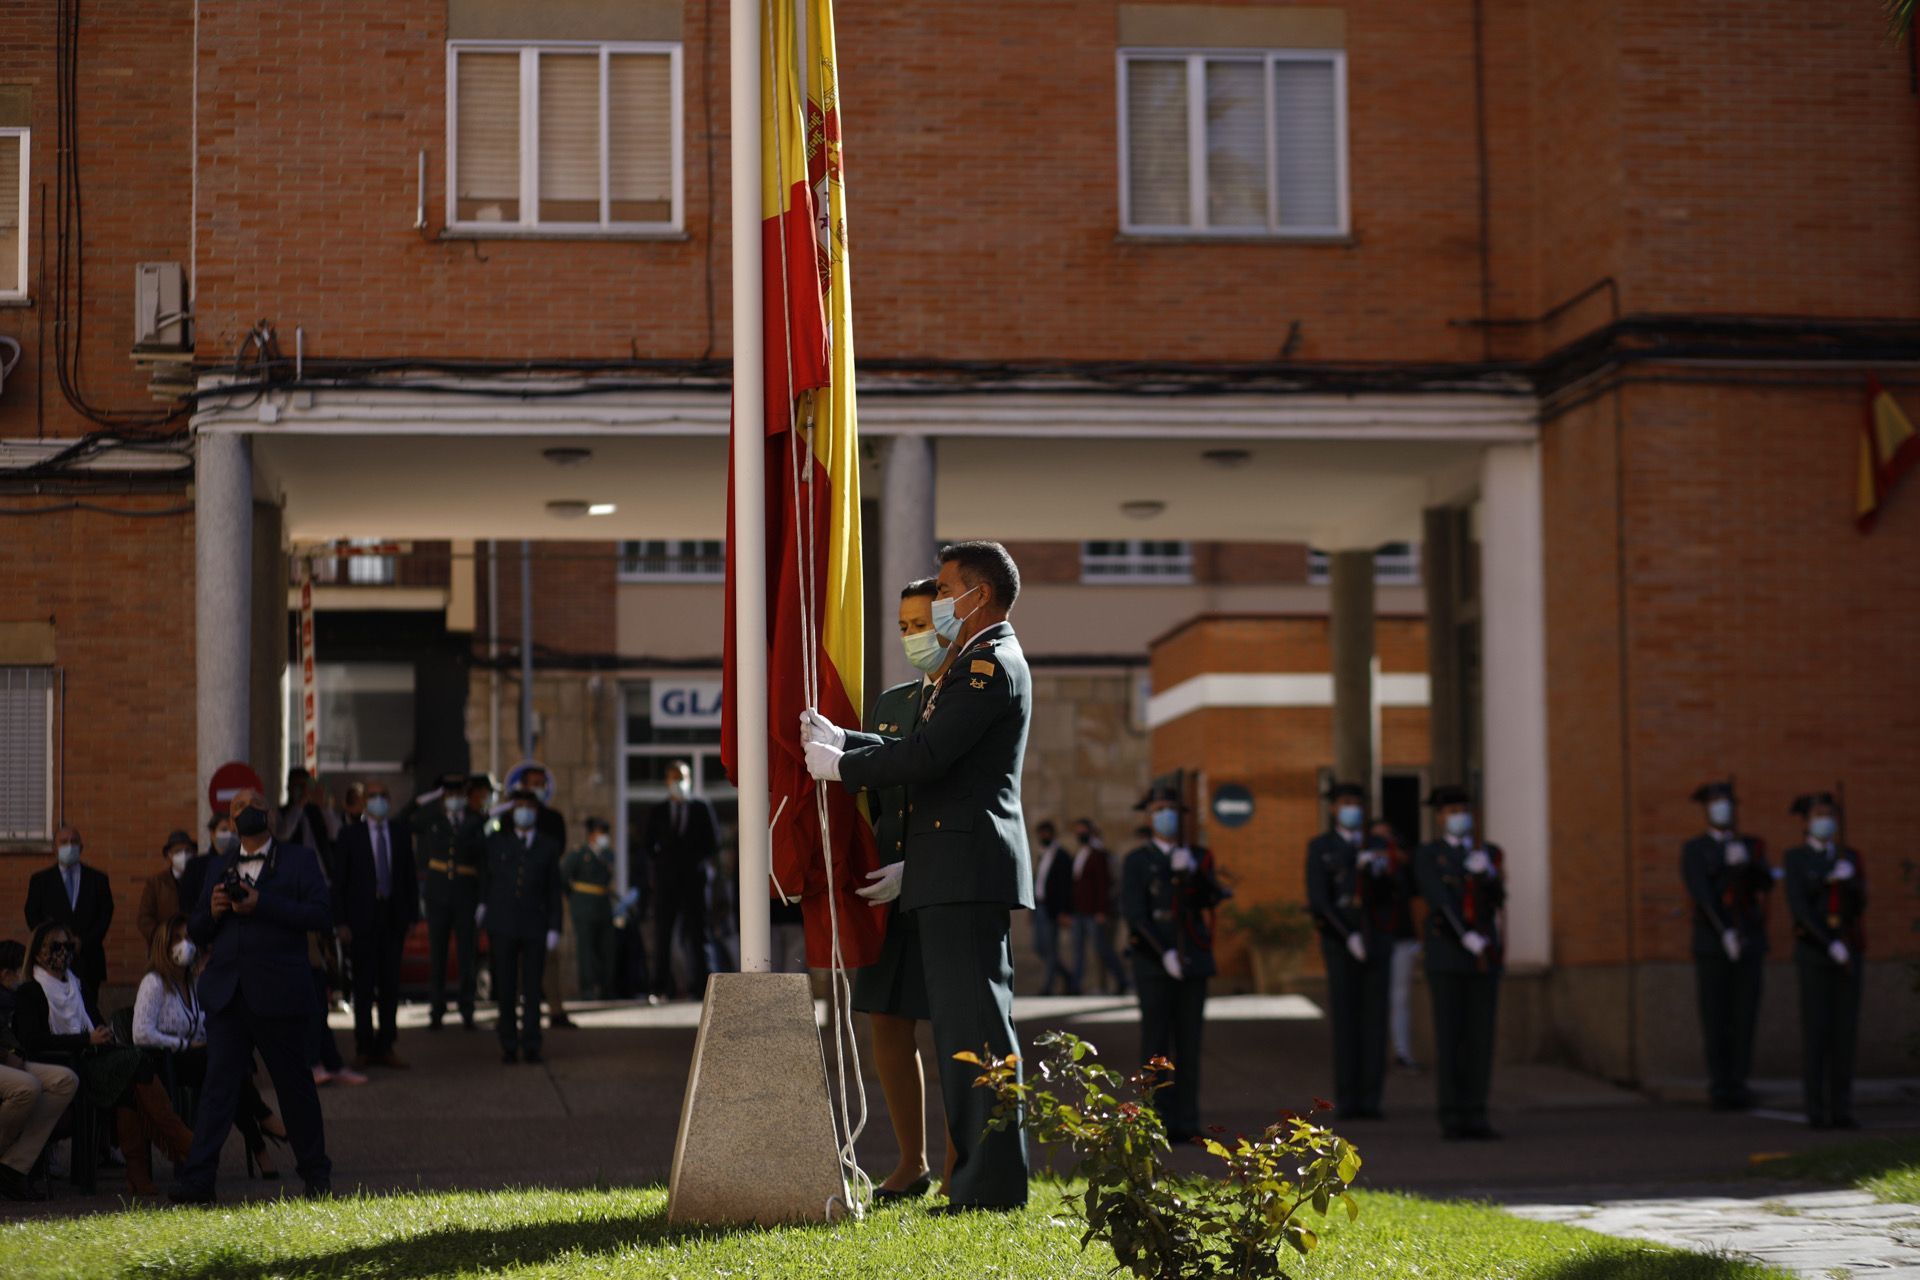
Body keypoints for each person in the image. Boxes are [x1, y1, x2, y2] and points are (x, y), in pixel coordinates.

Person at [806, 539, 1036, 1213]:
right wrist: (847, 741)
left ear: (979, 596)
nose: (935, 602)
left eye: (943, 590)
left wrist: (842, 768)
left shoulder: (988, 667)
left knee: (975, 1038)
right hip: (952, 872)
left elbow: (932, 755)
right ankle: (974, 1183)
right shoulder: (970, 665)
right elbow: (918, 747)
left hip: (964, 875)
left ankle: (986, 1186)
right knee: (966, 1033)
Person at [170, 789, 334, 1203]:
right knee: (218, 1090)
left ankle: (316, 1174)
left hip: (279, 994)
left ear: (269, 816)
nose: (244, 813)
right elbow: (198, 929)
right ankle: (199, 1179)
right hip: (228, 994)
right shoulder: (220, 865)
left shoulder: (298, 860)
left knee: (294, 1087)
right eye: (236, 809)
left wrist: (263, 903)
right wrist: (213, 908)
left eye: (252, 806)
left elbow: (320, 913)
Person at [848, 577, 955, 1201]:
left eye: (924, 625)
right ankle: (910, 1160)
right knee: (887, 1018)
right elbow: (879, 796)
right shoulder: (891, 703)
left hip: (943, 880)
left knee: (953, 1028)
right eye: (905, 627)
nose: (916, 637)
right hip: (889, 886)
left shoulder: (971, 694)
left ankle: (956, 1163)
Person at [13, 922, 193, 1197]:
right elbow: (33, 1040)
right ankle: (184, 1145)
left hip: (95, 1061)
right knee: (134, 1066)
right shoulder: (31, 990)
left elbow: (96, 1023)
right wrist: (85, 1041)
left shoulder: (78, 985)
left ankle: (141, 1171)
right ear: (38, 953)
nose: (63, 952)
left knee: (129, 1079)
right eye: (56, 947)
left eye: (68, 946)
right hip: (64, 1066)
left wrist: (102, 1035)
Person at [133, 916, 286, 1180]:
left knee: (228, 1069)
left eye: (189, 939)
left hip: (197, 1059)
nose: (186, 945)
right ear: (164, 946)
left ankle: (261, 1141)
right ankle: (263, 1122)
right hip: (166, 1062)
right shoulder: (154, 983)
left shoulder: (194, 983)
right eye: (178, 940)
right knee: (225, 1068)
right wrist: (183, 1044)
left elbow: (205, 1025)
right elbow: (141, 1033)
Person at [1122, 785, 1229, 1142]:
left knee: (1190, 1042)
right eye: (1159, 808)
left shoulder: (1196, 855)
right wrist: (1163, 952)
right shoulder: (1137, 860)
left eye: (1171, 808)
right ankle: (1154, 1120)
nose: (1165, 814)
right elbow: (1136, 915)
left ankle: (1186, 1120)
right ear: (1149, 816)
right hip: (1154, 964)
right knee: (1156, 1044)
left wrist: (1194, 873)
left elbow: (1213, 897)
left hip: (1193, 960)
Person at [1415, 784, 1506, 1141]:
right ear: (1439, 817)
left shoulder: (1489, 853)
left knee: (1480, 1038)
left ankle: (1477, 1111)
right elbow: (1438, 900)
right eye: (1451, 811)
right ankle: (1452, 1113)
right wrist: (1463, 935)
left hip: (1484, 957)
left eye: (1463, 810)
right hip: (1448, 956)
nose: (1458, 817)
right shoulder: (1429, 854)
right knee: (1451, 1036)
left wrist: (1488, 876)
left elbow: (1498, 900)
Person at [1682, 780, 1773, 1112]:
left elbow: (1765, 884)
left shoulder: (1749, 845)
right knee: (1716, 1015)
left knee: (1745, 1014)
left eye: (1727, 802)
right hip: (1712, 945)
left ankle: (1739, 1081)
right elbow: (1702, 894)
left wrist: (1747, 864)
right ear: (1707, 809)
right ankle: (1719, 1084)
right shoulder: (1696, 849)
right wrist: (1724, 933)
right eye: (1716, 802)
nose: (1722, 808)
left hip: (1749, 942)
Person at [1306, 782, 1395, 1121]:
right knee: (1346, 1020)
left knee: (1374, 1020)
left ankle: (1372, 1099)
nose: (1351, 809)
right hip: (1340, 943)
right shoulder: (1322, 847)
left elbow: (1396, 894)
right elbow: (1319, 900)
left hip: (1376, 939)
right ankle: (1347, 1098)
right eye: (1344, 803)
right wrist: (1347, 936)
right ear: (1332, 809)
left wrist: (1381, 872)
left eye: (1356, 803)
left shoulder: (1378, 846)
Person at [1784, 791, 1866, 1130]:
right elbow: (1800, 908)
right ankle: (1815, 1108)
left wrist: (1852, 884)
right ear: (1807, 820)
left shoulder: (1849, 857)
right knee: (1817, 1031)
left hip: (1848, 953)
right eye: (1819, 814)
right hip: (1814, 954)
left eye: (1830, 814)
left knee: (1844, 1034)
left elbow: (1859, 906)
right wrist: (1827, 943)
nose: (1826, 820)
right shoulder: (1796, 858)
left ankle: (1841, 1107)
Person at [333, 781, 419, 1070]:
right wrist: (341, 922)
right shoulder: (350, 835)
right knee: (364, 986)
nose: (378, 800)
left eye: (383, 795)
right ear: (364, 801)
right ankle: (364, 1046)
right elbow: (339, 883)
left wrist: (411, 916)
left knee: (391, 986)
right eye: (373, 796)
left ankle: (386, 1046)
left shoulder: (400, 833)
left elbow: (408, 876)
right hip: (361, 921)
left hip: (392, 918)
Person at [481, 787, 564, 1065]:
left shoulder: (548, 845)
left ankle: (531, 1044)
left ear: (536, 811)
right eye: (518, 806)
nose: (523, 811)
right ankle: (507, 1043)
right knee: (505, 988)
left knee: (531, 988)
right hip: (503, 923)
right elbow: (476, 852)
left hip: (534, 925)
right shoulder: (497, 840)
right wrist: (494, 812)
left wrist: (555, 926)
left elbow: (554, 889)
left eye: (529, 806)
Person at [0, 940, 78, 1201]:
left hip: (11, 1059)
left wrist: (13, 1052)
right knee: (26, 1086)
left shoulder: (18, 995)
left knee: (64, 1080)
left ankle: (14, 1165)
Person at [643, 762, 720, 1001]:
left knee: (699, 935)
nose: (678, 783)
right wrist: (661, 863)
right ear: (667, 782)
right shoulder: (658, 811)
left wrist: (699, 864)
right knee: (663, 934)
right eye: (673, 778)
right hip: (667, 882)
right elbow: (647, 843)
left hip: (694, 882)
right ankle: (660, 988)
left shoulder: (701, 808)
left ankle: (704, 988)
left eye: (682, 778)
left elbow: (713, 842)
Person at [417, 772, 487, 1030]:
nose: (453, 799)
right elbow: (407, 818)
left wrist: (482, 899)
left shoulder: (475, 821)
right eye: (448, 795)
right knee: (438, 955)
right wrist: (432, 795)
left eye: (458, 794)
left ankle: (467, 1008)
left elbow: (483, 862)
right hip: (438, 896)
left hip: (465, 895)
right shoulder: (433, 819)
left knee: (467, 954)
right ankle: (436, 1009)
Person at [511, 763, 576, 1031]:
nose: (537, 788)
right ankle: (513, 1009)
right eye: (532, 783)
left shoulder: (552, 819)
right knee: (513, 958)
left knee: (549, 958)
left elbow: (556, 849)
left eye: (541, 783)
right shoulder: (508, 817)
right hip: (514, 896)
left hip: (541, 896)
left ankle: (555, 1009)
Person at [24, 827, 115, 1016]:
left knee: (88, 1010)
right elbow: (32, 914)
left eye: (74, 842)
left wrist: (84, 941)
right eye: (64, 842)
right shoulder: (41, 880)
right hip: (51, 960)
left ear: (81, 847)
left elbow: (105, 915)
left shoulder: (98, 879)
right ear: (54, 848)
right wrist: (51, 943)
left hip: (88, 958)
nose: (69, 846)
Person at [1369, 818, 1422, 1070]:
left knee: (1399, 997)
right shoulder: (1365, 865)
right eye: (1376, 839)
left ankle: (1402, 1051)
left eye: (1386, 839)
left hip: (1401, 937)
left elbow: (1417, 896)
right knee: (1373, 997)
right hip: (1372, 938)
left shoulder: (1403, 866)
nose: (1382, 846)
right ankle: (1373, 1052)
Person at [1071, 820, 1130, 997]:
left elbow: (1103, 884)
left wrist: (1101, 910)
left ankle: (1122, 980)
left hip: (1094, 912)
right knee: (1078, 950)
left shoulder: (1099, 855)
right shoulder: (1080, 854)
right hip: (1079, 911)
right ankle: (1076, 986)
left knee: (1103, 948)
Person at [562, 818, 618, 1001]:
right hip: (584, 907)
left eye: (605, 833)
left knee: (606, 949)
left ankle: (606, 987)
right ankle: (588, 988)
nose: (603, 837)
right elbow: (563, 877)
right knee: (586, 950)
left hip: (603, 907)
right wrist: (574, 898)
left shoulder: (608, 855)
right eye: (600, 833)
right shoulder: (579, 854)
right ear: (592, 834)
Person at [1030, 820, 1074, 996]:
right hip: (1039, 906)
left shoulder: (1062, 855)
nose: (1043, 837)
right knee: (1039, 947)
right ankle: (1067, 976)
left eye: (1045, 833)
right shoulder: (1042, 854)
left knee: (1050, 948)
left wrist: (1064, 911)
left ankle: (1047, 987)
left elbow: (1065, 886)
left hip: (1053, 909)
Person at [136, 830, 200, 950]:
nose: (184, 855)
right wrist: (163, 937)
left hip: (195, 945)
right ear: (169, 855)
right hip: (164, 949)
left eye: (187, 851)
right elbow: (144, 918)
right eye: (178, 852)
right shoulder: (156, 883)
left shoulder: (202, 879)